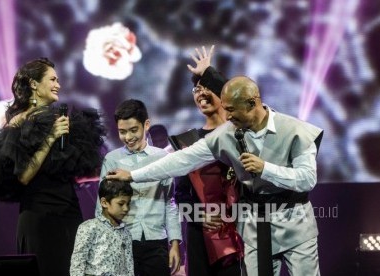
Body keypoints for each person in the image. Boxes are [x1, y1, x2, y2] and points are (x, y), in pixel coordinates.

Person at [106, 46, 324, 276]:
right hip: (254, 228)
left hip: (296, 225)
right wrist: (132, 175)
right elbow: (181, 160)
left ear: (253, 103)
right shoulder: (226, 134)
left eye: (231, 110)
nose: (227, 116)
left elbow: (307, 179)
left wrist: (265, 169)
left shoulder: (296, 131)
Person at [0, 57, 106, 276]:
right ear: (34, 84)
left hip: (70, 212)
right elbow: (24, 176)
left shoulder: (61, 119)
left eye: (58, 80)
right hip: (39, 217)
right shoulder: (19, 123)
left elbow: (73, 172)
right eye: (52, 79)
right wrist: (51, 137)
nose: (58, 85)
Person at [173, 45, 244, 275]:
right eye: (195, 90)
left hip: (239, 230)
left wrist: (209, 72)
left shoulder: (240, 133)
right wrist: (199, 215)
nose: (200, 94)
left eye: (206, 88)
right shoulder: (188, 141)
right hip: (200, 234)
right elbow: (182, 193)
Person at [96, 99, 182, 276]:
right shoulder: (112, 160)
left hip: (156, 240)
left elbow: (169, 202)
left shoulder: (163, 158)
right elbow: (101, 206)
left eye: (133, 130)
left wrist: (174, 244)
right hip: (122, 241)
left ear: (147, 125)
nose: (128, 137)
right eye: (122, 132)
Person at [70, 178, 135, 276]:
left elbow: (129, 266)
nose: (126, 208)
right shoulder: (89, 227)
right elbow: (77, 263)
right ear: (104, 202)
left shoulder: (126, 233)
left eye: (128, 203)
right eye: (121, 204)